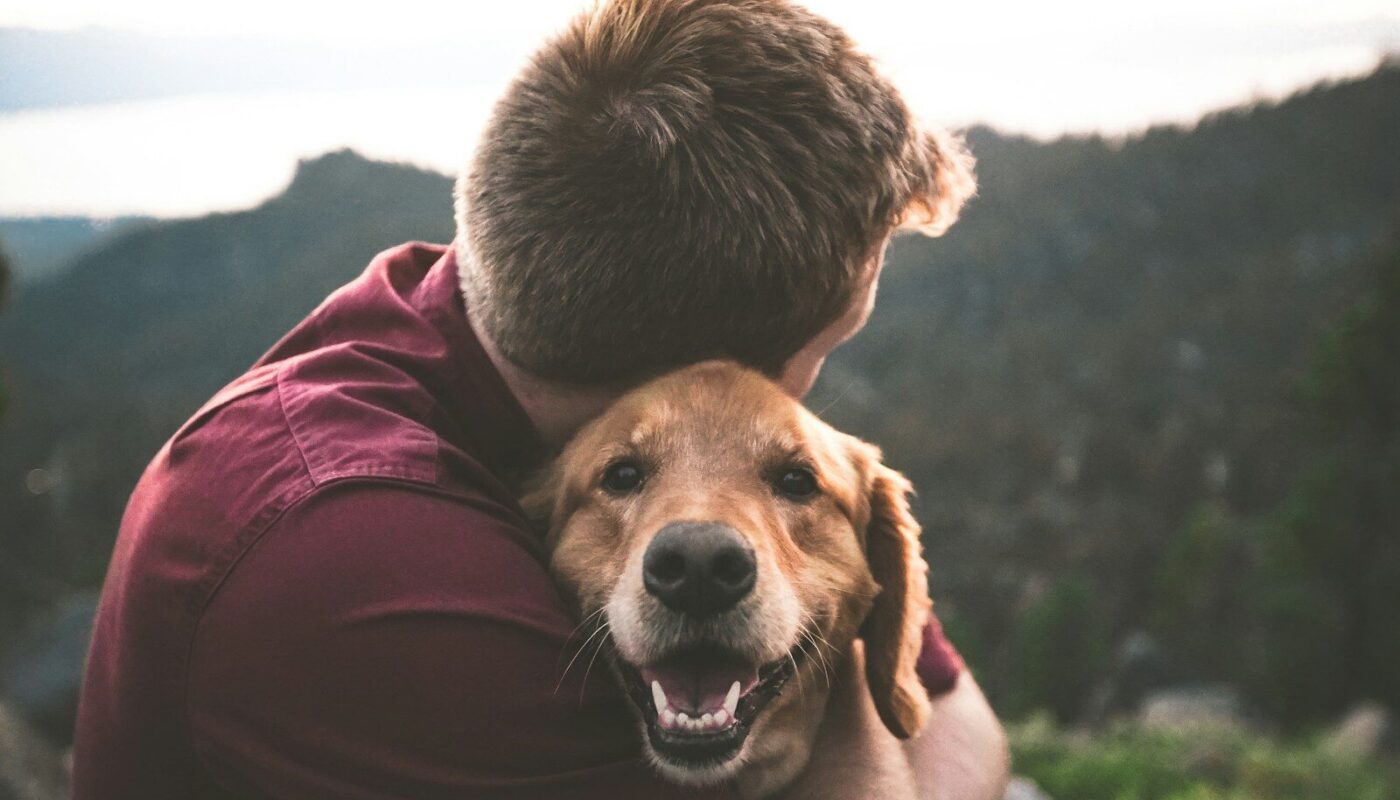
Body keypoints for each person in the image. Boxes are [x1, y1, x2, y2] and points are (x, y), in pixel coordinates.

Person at [72, 0, 1008, 797]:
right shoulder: (361, 568)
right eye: (829, 346)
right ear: (705, 372)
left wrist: (833, 630)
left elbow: (961, 720)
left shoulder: (474, 316)